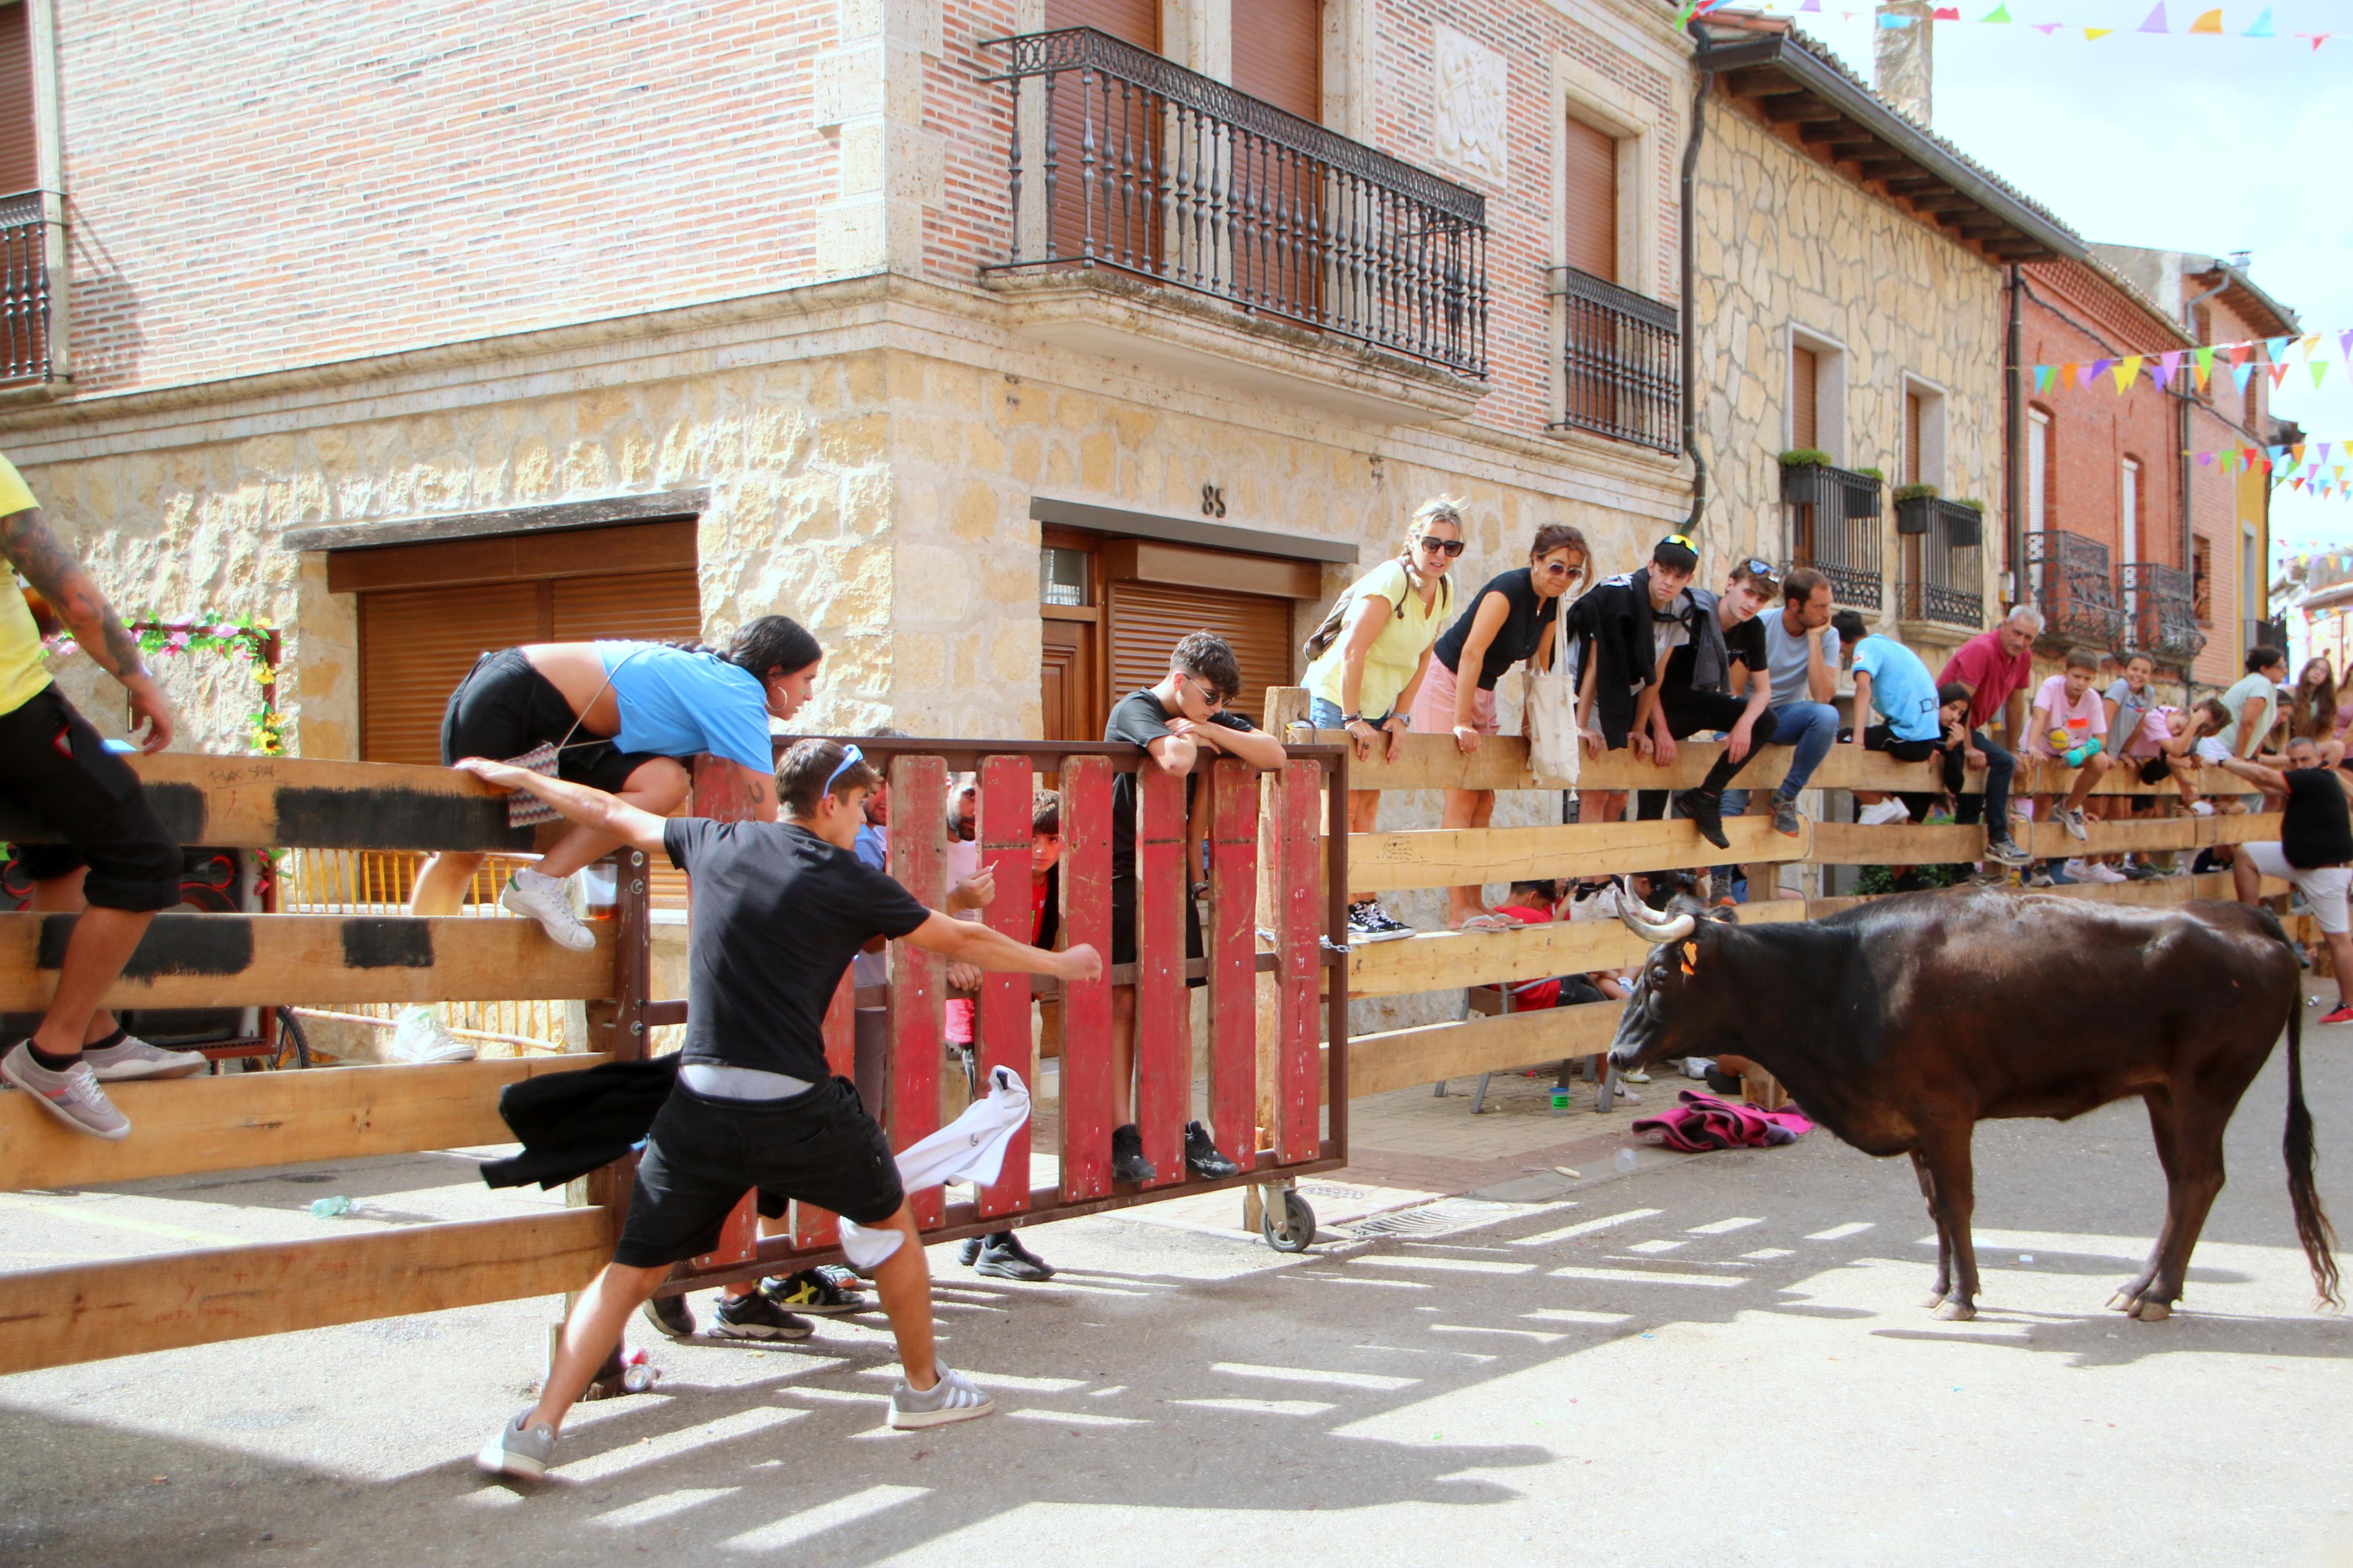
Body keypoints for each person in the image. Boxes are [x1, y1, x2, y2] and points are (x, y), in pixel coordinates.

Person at [468, 738, 1103, 1477]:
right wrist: (1058, 962)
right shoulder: (848, 877)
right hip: (798, 1110)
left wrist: (511, 773)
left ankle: (535, 1430)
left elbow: (609, 811)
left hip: (698, 1105)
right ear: (828, 803)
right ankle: (923, 1390)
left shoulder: (714, 839)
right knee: (891, 1227)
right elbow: (957, 937)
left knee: (631, 1273)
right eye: (861, 801)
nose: (864, 812)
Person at [393, 616, 821, 1064]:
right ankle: (416, 1018)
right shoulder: (736, 695)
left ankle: (538, 882)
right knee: (462, 855)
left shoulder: (720, 685)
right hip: (513, 694)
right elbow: (773, 817)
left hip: (575, 732)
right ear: (774, 675)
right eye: (807, 679)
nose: (810, 694)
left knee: (664, 783)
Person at [0, 457, 210, 1137]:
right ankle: (54, 1053)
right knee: (145, 859)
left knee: (63, 850)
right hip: (12, 713)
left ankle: (98, 1035)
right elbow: (75, 601)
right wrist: (139, 679)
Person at [1104, 632, 1287, 1185]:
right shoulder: (1135, 708)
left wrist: (1208, 727)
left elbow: (1275, 753)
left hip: (1169, 876)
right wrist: (1192, 739)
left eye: (1223, 702)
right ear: (1179, 681)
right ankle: (1122, 1133)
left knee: (1174, 998)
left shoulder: (1203, 715)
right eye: (1208, 697)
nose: (1218, 708)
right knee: (1125, 1003)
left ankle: (1182, 1125)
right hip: (1119, 872)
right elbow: (1177, 761)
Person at [1412, 523, 1589, 929]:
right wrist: (1461, 721)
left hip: (1482, 690)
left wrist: (1533, 724)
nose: (1562, 577)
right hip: (1449, 682)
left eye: (1572, 572)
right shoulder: (1507, 590)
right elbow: (1472, 651)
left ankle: (1475, 903)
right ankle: (1458, 909)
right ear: (1535, 561)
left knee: (1485, 800)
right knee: (1460, 796)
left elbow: (1538, 668)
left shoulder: (1552, 604)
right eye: (1556, 567)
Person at [1305, 496, 1463, 943]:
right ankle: (1328, 909)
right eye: (1432, 543)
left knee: (1368, 806)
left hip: (1377, 707)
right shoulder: (1390, 580)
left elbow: (1423, 655)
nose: (1439, 555)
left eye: (1451, 548)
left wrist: (1400, 716)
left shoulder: (1443, 590)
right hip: (1336, 700)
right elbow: (1353, 649)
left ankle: (1362, 904)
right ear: (1412, 540)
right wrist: (1352, 716)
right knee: (1340, 807)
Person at [1568, 535, 1774, 850]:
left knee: (1620, 794)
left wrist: (1640, 727)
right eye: (1664, 572)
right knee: (1604, 789)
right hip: (1604, 693)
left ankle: (1705, 797)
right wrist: (1586, 723)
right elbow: (1601, 664)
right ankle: (1596, 883)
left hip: (1649, 697)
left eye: (1678, 577)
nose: (1669, 582)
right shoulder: (1634, 599)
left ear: (1688, 579)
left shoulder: (1684, 610)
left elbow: (1657, 671)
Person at [947, 790, 1063, 1282]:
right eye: (1032, 838)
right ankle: (994, 1236)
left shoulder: (1056, 884)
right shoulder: (991, 878)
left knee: (1009, 1111)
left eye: (1053, 839)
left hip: (1018, 1005)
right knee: (998, 1111)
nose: (1040, 850)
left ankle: (982, 1231)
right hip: (977, 1009)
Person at [2214, 741, 2353, 1026]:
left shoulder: (2318, 778)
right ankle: (2249, 918)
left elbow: (2266, 777)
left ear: (2318, 759)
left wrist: (2221, 762)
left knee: (2338, 939)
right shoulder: (2303, 781)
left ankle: (2349, 1004)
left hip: (2325, 871)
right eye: (2294, 761)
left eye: (2305, 759)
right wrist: (2246, 765)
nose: (2300, 765)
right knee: (2246, 854)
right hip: (2297, 859)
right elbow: (2266, 783)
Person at [1936, 605, 2043, 856]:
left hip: (1969, 727)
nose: (2020, 641)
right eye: (2017, 633)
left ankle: (1962, 869)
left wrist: (2014, 748)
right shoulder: (1981, 649)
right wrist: (1969, 747)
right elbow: (1963, 703)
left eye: (2028, 638)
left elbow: (2016, 703)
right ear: (2004, 625)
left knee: (1973, 794)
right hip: (1944, 724)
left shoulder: (2023, 658)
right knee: (2003, 763)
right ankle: (1999, 837)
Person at [1749, 566, 1843, 835]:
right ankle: (1721, 878)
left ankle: (1785, 797)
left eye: (1828, 606)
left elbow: (1823, 696)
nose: (1827, 614)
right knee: (1731, 802)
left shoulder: (1829, 636)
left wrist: (1814, 640)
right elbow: (1734, 684)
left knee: (1827, 716)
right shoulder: (1761, 624)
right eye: (1819, 607)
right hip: (1746, 715)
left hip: (1783, 717)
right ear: (1795, 604)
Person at [2023, 646, 2115, 877]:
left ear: (2094, 679)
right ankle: (2039, 866)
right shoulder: (2050, 686)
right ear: (2065, 672)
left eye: (2087, 678)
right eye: (2077, 676)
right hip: (2043, 750)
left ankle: (2069, 807)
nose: (2081, 683)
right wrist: (2031, 748)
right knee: (2042, 805)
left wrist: (2080, 754)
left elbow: (2101, 739)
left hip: (2071, 750)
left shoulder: (2093, 698)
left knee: (2101, 761)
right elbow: (2039, 716)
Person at [2213, 645, 2288, 763]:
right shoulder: (2261, 684)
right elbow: (2248, 723)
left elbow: (2260, 727)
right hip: (2222, 749)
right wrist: (2240, 759)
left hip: (2224, 749)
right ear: (2264, 668)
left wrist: (2254, 757)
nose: (2285, 671)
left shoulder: (2263, 684)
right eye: (2280, 667)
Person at [2288, 656, 2345, 766]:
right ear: (2307, 670)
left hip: (2312, 744)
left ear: (2327, 678)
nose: (2317, 673)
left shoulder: (2327, 701)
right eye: (2314, 668)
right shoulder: (2291, 692)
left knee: (2337, 747)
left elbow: (2327, 730)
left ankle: (2320, 778)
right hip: (2290, 743)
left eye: (2323, 671)